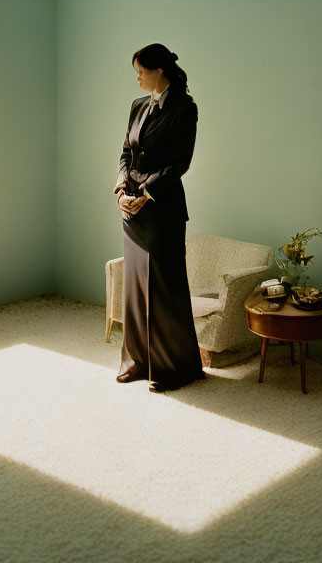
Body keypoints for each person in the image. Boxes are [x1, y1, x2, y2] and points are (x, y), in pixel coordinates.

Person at [113, 43, 206, 393]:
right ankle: (137, 362)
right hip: (131, 209)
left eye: (141, 70)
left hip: (162, 208)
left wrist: (145, 194)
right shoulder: (138, 105)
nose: (137, 77)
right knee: (135, 287)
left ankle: (173, 368)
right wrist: (122, 187)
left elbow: (180, 162)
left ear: (160, 71)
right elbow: (126, 152)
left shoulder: (185, 108)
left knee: (165, 290)